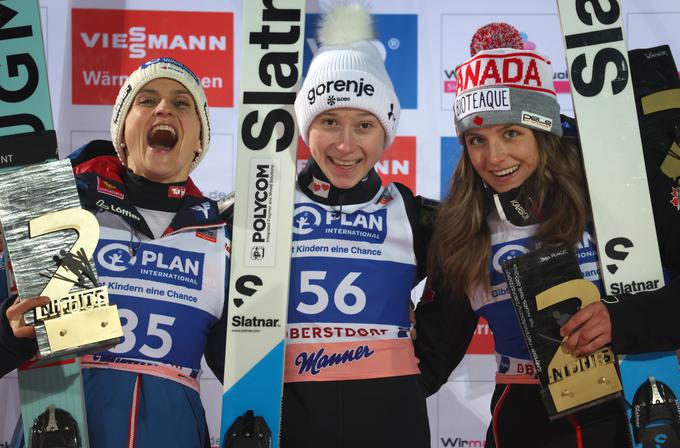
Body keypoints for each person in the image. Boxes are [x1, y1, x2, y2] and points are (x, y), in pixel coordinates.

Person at [0, 57, 229, 448]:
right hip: (59, 429)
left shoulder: (223, 236)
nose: (163, 109)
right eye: (146, 100)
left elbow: (244, 367)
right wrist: (9, 336)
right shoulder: (57, 211)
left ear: (199, 143)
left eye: (181, 103)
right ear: (121, 133)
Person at [427, 23, 634, 448]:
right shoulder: (463, 231)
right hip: (525, 419)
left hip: (632, 407)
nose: (494, 157)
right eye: (476, 139)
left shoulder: (609, 195)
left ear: (542, 131)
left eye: (511, 133)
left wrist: (629, 323)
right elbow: (433, 355)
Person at [282, 3, 476, 447]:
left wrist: (420, 372)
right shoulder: (265, 207)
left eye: (364, 125)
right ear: (307, 126)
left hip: (391, 420)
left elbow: (460, 286)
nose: (346, 144)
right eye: (329, 121)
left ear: (384, 131)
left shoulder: (414, 214)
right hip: (290, 420)